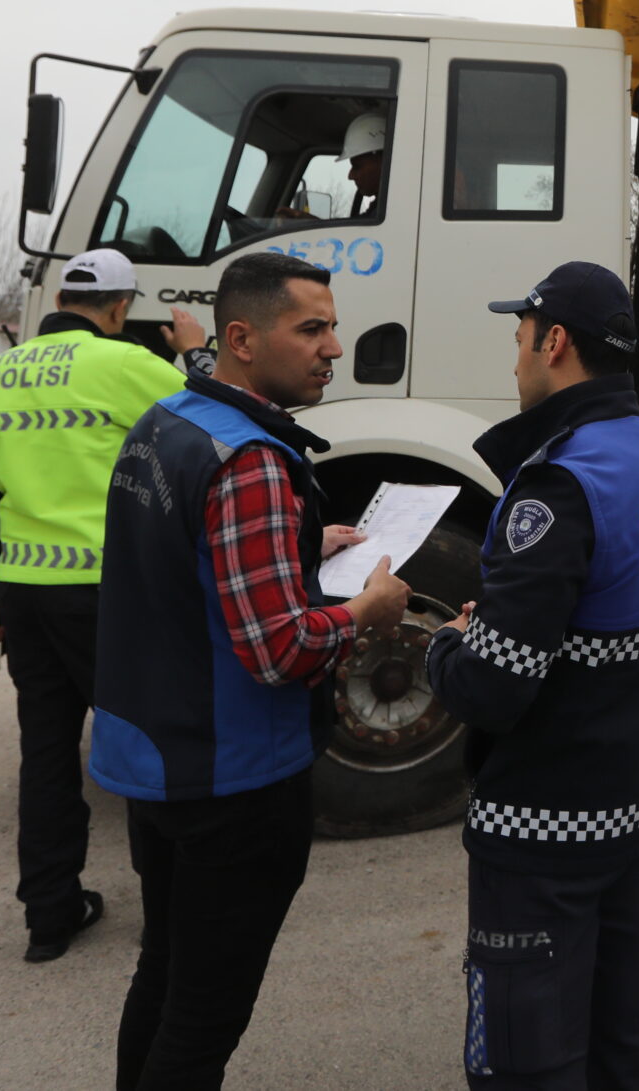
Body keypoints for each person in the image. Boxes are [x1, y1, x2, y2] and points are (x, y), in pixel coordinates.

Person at [89, 250, 410, 1089]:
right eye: (311, 328)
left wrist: (308, 541)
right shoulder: (254, 461)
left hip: (160, 765)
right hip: (235, 782)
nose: (334, 347)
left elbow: (183, 567)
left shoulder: (168, 421)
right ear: (240, 337)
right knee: (203, 1016)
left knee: (163, 972)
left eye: (331, 326)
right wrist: (366, 615)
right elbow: (280, 649)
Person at [424, 261, 639, 1091]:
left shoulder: (559, 481)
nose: (513, 362)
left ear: (554, 342)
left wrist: (447, 644)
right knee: (621, 1034)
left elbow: (495, 686)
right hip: (633, 806)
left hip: (547, 829)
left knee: (524, 1060)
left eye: (518, 340)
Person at [0, 247, 211, 963]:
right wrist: (196, 351)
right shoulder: (125, 364)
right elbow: (217, 413)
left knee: (46, 751)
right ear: (120, 308)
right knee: (145, 750)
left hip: (24, 596)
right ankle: (165, 912)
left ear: (62, 296)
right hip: (111, 598)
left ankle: (49, 912)